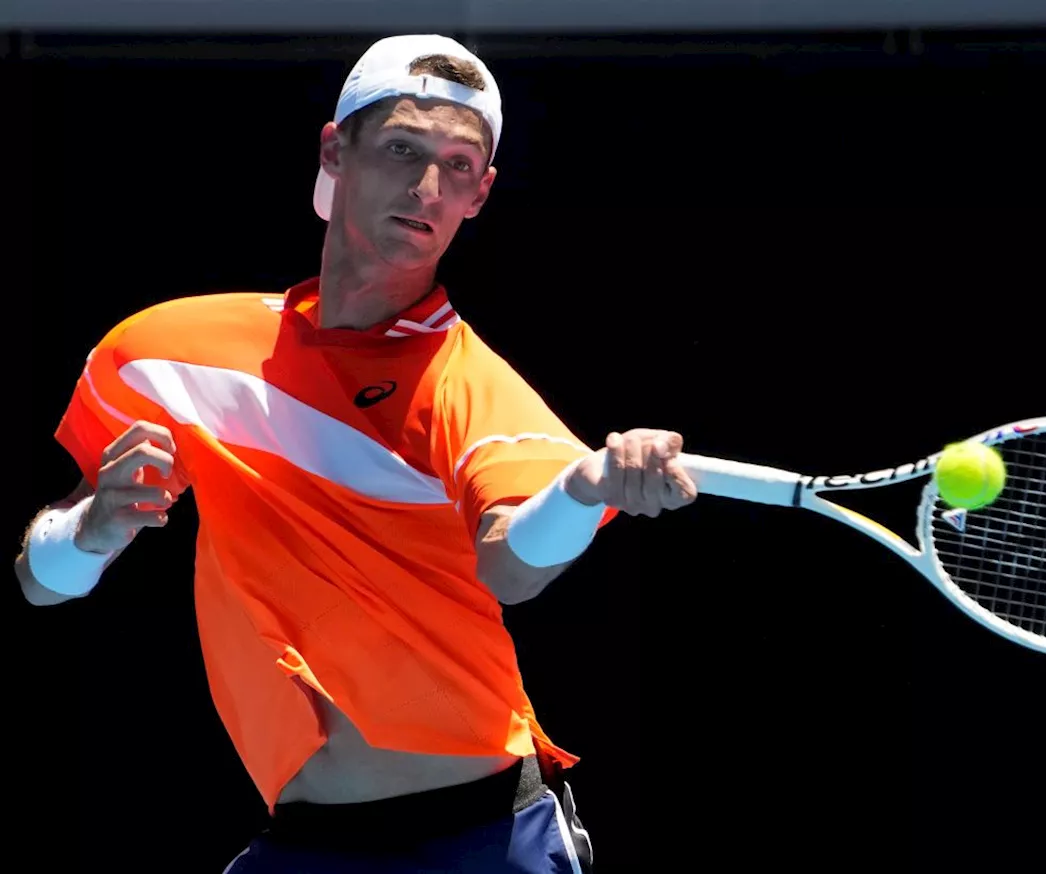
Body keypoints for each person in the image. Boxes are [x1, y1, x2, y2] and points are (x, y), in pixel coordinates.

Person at [15, 34, 697, 873]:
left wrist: (587, 486)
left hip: (483, 839)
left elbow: (512, 568)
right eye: (404, 149)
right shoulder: (164, 353)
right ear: (336, 150)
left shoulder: (467, 388)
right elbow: (39, 584)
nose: (427, 188)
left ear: (481, 194)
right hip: (302, 845)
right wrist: (89, 530)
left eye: (458, 165)